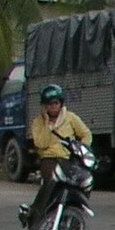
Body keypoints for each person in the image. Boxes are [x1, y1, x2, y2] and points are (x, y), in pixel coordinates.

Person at [23, 83, 91, 220]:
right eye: (49, 104)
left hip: (69, 159)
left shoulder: (71, 118)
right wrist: (48, 124)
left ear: (61, 103)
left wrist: (81, 148)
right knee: (52, 179)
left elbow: (86, 134)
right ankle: (36, 213)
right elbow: (41, 143)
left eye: (55, 103)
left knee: (86, 181)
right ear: (44, 106)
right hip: (49, 160)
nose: (53, 107)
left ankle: (76, 218)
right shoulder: (38, 122)